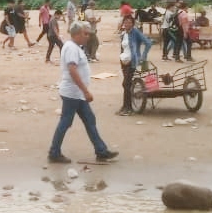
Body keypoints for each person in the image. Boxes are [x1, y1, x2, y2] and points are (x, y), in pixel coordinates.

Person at [48, 21, 119, 164]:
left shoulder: (74, 47)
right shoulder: (72, 48)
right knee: (66, 122)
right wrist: (85, 91)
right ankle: (54, 152)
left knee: (89, 119)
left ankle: (101, 150)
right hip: (73, 93)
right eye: (85, 34)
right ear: (77, 34)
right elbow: (72, 70)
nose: (87, 36)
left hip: (76, 93)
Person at [118, 15, 152, 116]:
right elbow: (124, 48)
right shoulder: (124, 33)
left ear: (132, 23)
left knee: (126, 84)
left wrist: (143, 57)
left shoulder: (135, 32)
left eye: (129, 22)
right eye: (125, 22)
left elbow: (148, 43)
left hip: (132, 62)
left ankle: (128, 108)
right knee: (126, 84)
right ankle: (125, 106)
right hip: (124, 62)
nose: (127, 24)